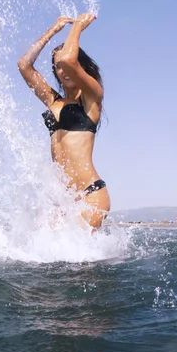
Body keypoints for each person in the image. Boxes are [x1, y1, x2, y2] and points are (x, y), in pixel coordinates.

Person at [17, 13, 110, 230]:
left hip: (90, 195)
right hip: (65, 201)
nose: (63, 69)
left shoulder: (92, 97)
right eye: (57, 66)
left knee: (72, 262)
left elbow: (69, 59)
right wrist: (54, 28)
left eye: (67, 65)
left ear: (80, 67)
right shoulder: (53, 101)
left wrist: (77, 26)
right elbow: (24, 65)